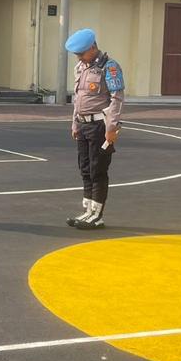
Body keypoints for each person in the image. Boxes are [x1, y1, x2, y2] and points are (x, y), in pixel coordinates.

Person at [65, 27, 124, 231]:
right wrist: (75, 123)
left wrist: (111, 128)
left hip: (100, 126)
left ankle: (97, 215)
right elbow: (78, 98)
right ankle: (87, 211)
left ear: (92, 47)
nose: (79, 57)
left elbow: (117, 99)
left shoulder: (110, 67)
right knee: (85, 168)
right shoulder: (81, 67)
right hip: (83, 124)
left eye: (81, 53)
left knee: (97, 170)